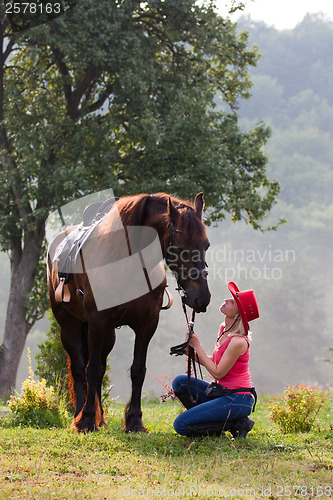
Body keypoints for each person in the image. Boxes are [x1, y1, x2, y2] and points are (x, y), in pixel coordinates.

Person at [172, 281, 259, 438]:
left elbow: (218, 373)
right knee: (179, 382)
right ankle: (218, 421)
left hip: (237, 398)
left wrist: (198, 347)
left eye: (232, 301)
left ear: (239, 314)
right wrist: (190, 352)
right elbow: (214, 362)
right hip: (222, 393)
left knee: (181, 425)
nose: (226, 300)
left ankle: (236, 423)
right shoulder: (223, 331)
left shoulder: (238, 341)